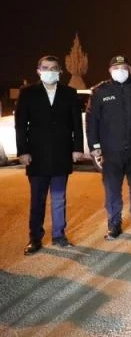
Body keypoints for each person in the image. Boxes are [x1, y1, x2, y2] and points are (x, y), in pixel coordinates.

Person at [15, 56, 84, 255]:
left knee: (59, 198)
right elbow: (21, 125)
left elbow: (76, 124)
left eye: (54, 68)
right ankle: (35, 238)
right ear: (38, 71)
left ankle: (59, 235)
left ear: (60, 71)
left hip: (62, 154)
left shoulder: (69, 93)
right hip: (36, 156)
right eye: (46, 68)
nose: (50, 71)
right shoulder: (28, 93)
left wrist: (77, 148)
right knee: (38, 199)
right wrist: (23, 151)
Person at [87, 55, 131, 239]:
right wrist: (94, 145)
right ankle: (114, 225)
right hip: (111, 151)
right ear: (110, 70)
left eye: (123, 67)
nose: (120, 71)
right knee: (112, 191)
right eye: (116, 68)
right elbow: (92, 120)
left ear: (130, 69)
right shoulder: (100, 91)